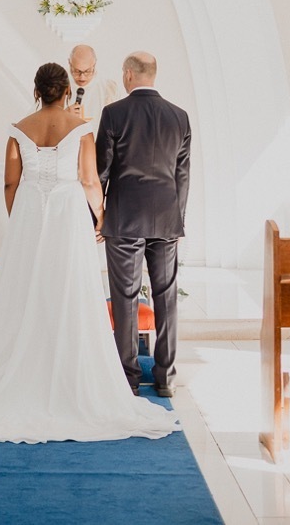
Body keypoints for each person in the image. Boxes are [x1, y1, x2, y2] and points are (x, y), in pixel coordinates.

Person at [0, 63, 180, 442]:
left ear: (36, 92)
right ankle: (68, 376)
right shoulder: (80, 130)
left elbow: (11, 183)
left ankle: (24, 368)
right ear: (64, 93)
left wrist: (22, 217)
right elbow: (90, 181)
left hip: (29, 213)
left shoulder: (17, 130)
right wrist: (100, 217)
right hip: (67, 214)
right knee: (68, 291)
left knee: (26, 292)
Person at [96, 52, 191, 398]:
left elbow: (101, 171)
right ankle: (165, 376)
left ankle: (129, 376)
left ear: (128, 74)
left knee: (125, 297)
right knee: (166, 296)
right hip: (167, 218)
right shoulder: (179, 117)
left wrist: (96, 218)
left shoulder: (114, 113)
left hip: (124, 219)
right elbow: (182, 176)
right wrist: (177, 220)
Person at [67, 43, 118, 132]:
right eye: (77, 71)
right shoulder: (57, 86)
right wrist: (62, 116)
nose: (82, 77)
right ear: (69, 63)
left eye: (87, 71)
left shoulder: (108, 89)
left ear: (94, 64)